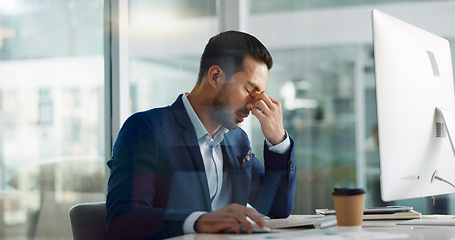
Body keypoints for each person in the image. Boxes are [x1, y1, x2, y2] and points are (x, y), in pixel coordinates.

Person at [105, 30, 296, 239]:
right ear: (215, 76)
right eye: (250, 90)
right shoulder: (147, 130)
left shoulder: (237, 141)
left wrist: (278, 140)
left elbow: (277, 208)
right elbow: (122, 221)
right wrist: (201, 221)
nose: (253, 105)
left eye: (259, 94)